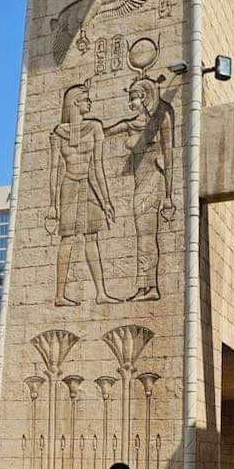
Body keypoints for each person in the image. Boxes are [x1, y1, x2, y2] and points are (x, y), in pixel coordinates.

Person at [104, 75, 175, 302]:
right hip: (138, 184)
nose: (130, 104)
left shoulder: (161, 120)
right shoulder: (131, 124)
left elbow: (169, 157)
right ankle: (143, 285)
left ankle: (150, 287)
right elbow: (107, 131)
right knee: (142, 236)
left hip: (153, 180)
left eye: (133, 99)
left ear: (143, 97)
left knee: (146, 235)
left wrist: (168, 196)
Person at [45, 82, 117, 306]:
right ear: (76, 102)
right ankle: (59, 295)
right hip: (69, 186)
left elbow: (98, 167)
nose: (90, 102)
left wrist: (106, 201)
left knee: (91, 237)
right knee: (67, 238)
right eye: (86, 99)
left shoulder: (95, 127)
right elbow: (54, 170)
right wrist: (52, 205)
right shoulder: (58, 133)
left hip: (89, 185)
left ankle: (101, 293)